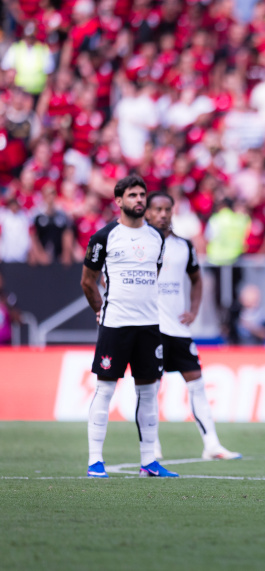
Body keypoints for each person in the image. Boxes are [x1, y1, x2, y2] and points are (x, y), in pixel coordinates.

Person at [80, 175, 177, 478]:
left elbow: (154, 274)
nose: (139, 200)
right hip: (116, 325)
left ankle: (149, 461)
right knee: (105, 389)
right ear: (119, 201)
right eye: (132, 195)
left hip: (149, 326)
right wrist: (101, 310)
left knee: (149, 393)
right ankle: (95, 460)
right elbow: (87, 280)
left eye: (142, 195)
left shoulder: (157, 238)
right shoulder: (104, 237)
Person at [145, 192, 241, 461]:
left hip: (178, 329)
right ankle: (151, 446)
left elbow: (197, 280)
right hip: (150, 329)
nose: (163, 214)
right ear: (148, 213)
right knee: (150, 387)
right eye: (157, 209)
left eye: (167, 209)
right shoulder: (138, 245)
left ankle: (211, 445)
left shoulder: (184, 246)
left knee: (197, 384)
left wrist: (195, 310)